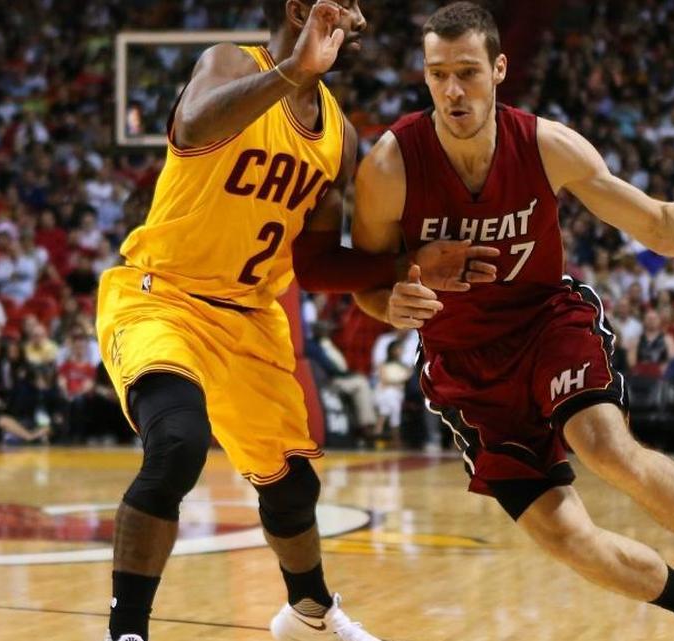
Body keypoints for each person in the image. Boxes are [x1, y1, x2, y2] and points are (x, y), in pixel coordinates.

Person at [350, 4, 674, 640]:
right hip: (463, 367)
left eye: (467, 72)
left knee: (603, 443)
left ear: (499, 69)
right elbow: (361, 278)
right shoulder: (390, 166)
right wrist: (386, 302)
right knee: (566, 536)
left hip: (546, 324)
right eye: (438, 73)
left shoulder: (545, 145)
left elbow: (661, 225)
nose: (452, 90)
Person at [93, 3, 497, 641]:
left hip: (251, 318)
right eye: (348, 1)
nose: (361, 16)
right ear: (298, 9)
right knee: (177, 445)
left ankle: (309, 612)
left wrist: (405, 264)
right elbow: (192, 128)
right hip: (164, 296)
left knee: (292, 485)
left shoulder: (339, 135)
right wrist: (289, 72)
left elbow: (313, 263)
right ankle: (128, 631)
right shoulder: (231, 61)